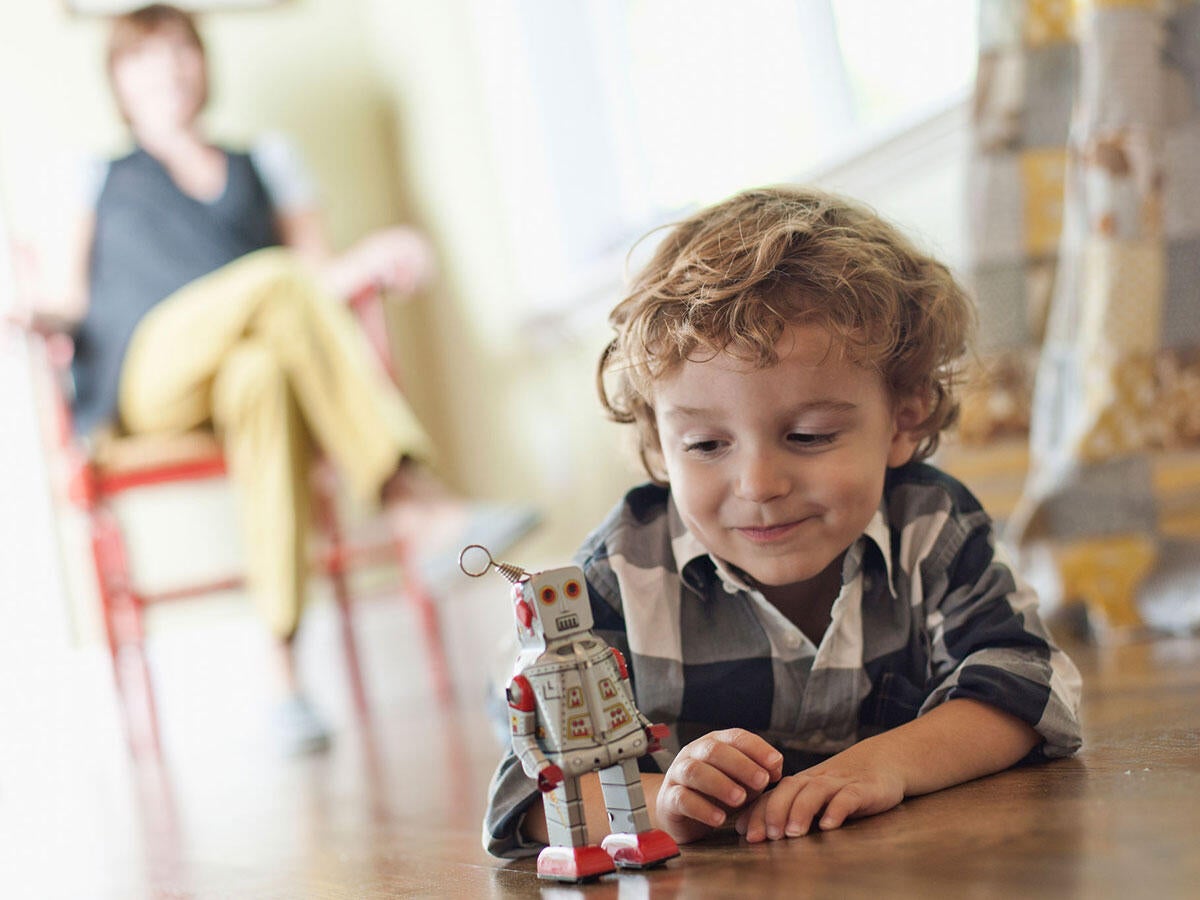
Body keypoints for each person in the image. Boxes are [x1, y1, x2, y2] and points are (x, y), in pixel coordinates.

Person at [482, 186, 1082, 855]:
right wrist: (666, 802)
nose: (760, 485)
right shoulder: (614, 579)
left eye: (810, 435)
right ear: (658, 446)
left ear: (903, 419)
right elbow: (530, 793)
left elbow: (1027, 685)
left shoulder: (930, 528)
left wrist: (885, 764)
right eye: (707, 447)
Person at [14, 4, 537, 754]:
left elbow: (315, 278)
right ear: (118, 82)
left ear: (203, 64)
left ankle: (284, 680)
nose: (166, 70)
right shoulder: (96, 175)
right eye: (144, 58)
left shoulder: (266, 161)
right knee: (275, 279)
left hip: (239, 376)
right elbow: (68, 299)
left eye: (180, 52)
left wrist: (371, 255)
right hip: (148, 375)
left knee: (263, 374)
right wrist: (30, 314)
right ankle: (408, 498)